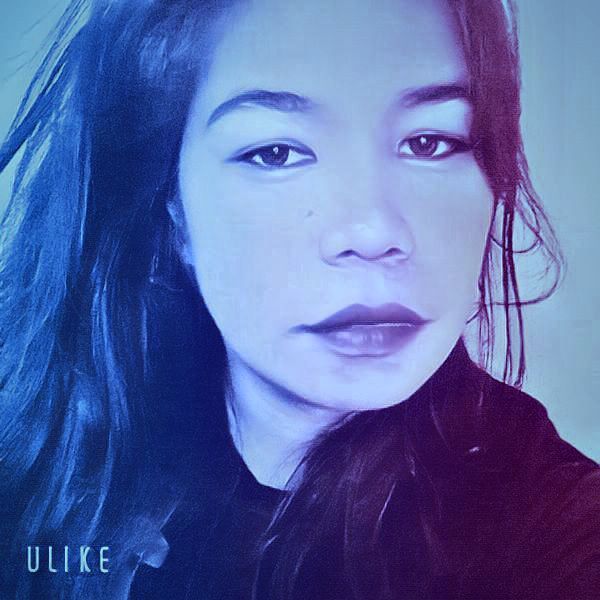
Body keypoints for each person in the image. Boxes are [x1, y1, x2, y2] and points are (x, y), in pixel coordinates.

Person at [0, 0, 598, 598]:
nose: (374, 231)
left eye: (430, 142)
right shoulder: (41, 475)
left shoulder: (558, 532)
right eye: (276, 153)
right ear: (171, 209)